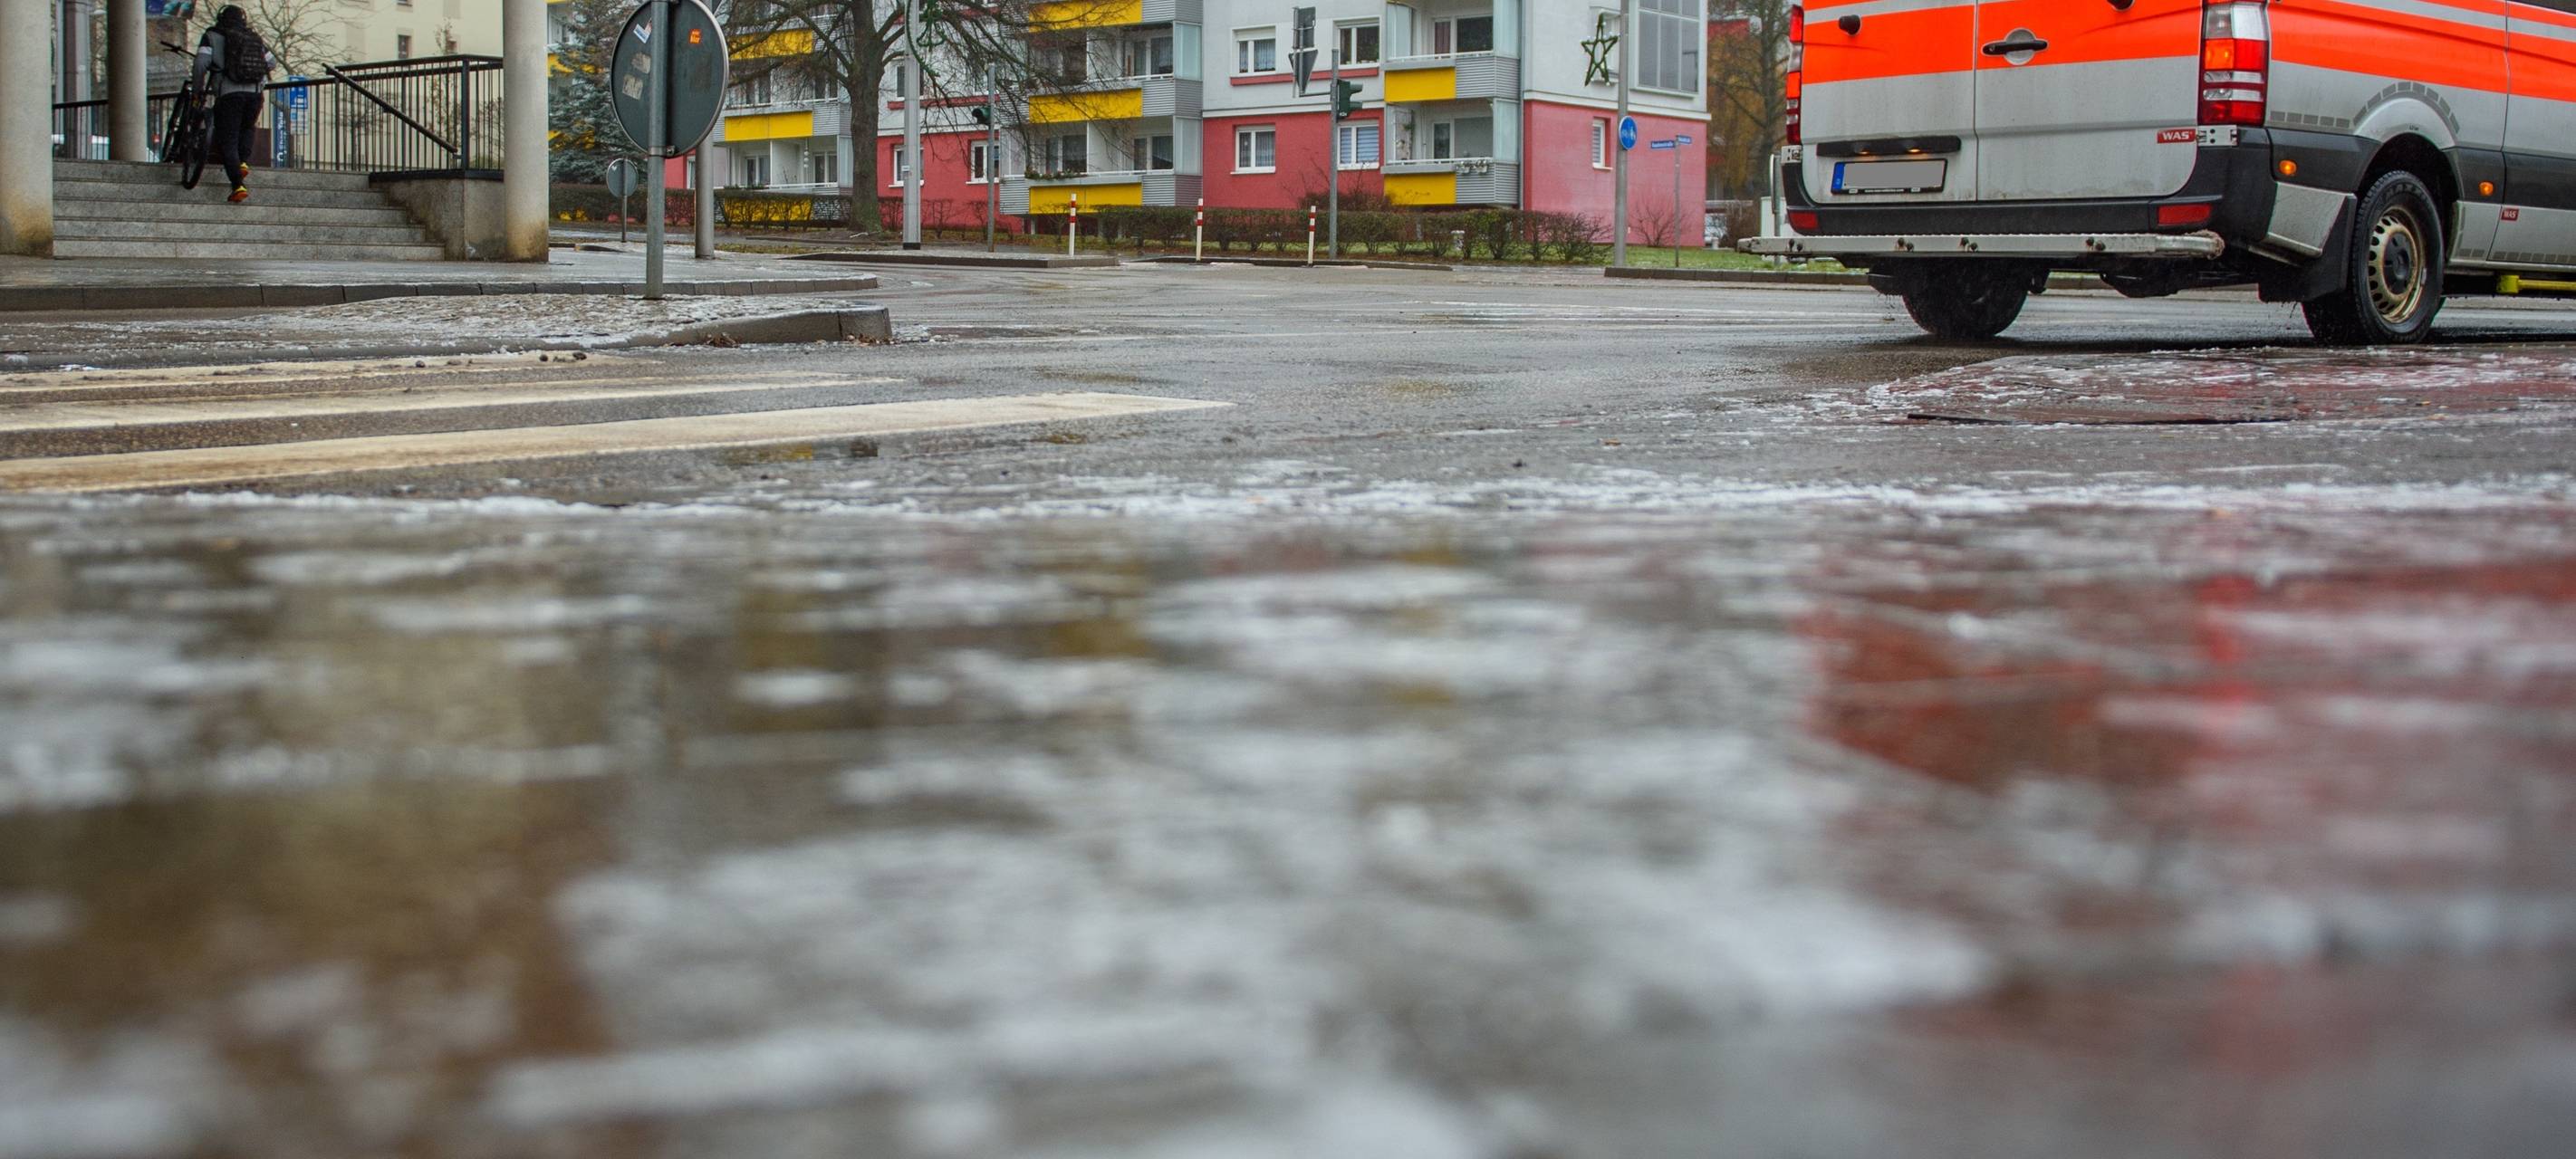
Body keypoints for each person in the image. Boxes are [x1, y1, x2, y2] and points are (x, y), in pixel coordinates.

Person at [192, 6, 274, 203]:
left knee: (228, 139)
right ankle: (243, 162)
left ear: (221, 18)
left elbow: (201, 64)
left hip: (229, 94)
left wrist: (198, 89)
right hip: (255, 94)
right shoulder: (253, 36)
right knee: (247, 128)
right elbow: (271, 63)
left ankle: (237, 184)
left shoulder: (212, 35)